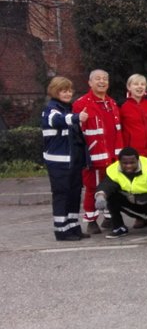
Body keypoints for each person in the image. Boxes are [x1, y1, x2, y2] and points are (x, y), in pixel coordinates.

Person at [73, 69, 123, 235]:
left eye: (105, 79)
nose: (102, 82)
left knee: (111, 187)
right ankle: (91, 220)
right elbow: (77, 133)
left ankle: (109, 217)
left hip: (112, 156)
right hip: (93, 157)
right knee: (92, 188)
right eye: (98, 79)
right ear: (90, 82)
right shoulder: (81, 104)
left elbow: (117, 130)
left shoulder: (112, 103)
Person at [41, 76, 88, 241]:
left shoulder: (67, 108)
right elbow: (57, 121)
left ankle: (73, 226)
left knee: (74, 194)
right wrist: (76, 118)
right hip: (58, 163)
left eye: (69, 90)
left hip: (72, 161)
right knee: (62, 195)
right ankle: (61, 230)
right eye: (63, 90)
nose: (68, 93)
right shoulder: (51, 109)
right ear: (55, 91)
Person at [93, 147, 147, 238]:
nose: (128, 166)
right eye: (125, 163)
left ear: (138, 161)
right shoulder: (113, 170)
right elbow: (106, 185)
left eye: (132, 163)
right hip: (132, 206)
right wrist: (100, 196)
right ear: (119, 162)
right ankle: (119, 228)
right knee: (111, 196)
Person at [120, 74, 147, 166]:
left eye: (142, 84)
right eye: (136, 84)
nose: (140, 86)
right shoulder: (122, 106)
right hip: (134, 153)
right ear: (129, 87)